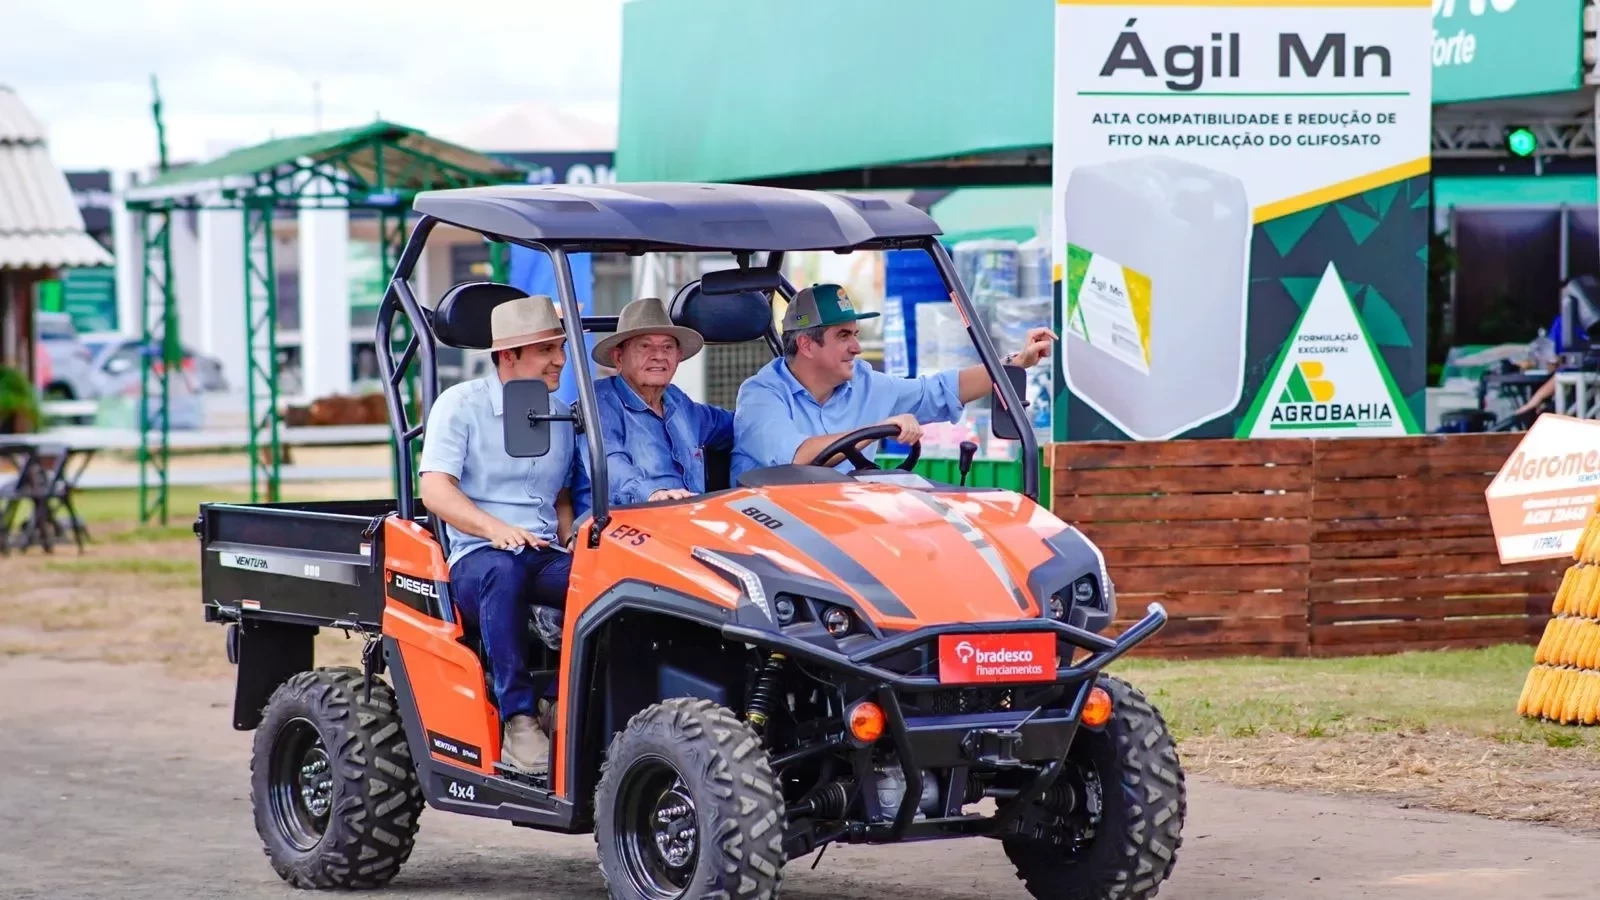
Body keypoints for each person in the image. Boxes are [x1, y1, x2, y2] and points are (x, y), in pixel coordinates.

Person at [418, 294, 587, 775]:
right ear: (508, 356)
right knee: (503, 568)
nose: (560, 360)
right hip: (478, 557)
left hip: (541, 550)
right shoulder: (461, 405)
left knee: (606, 581)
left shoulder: (561, 414)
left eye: (561, 347)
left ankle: (560, 702)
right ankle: (519, 719)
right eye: (547, 350)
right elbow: (434, 490)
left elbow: (559, 499)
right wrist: (495, 529)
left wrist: (571, 534)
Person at [731, 283, 1054, 480]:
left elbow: (940, 390)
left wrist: (1017, 361)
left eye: (855, 335)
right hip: (775, 538)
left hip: (845, 528)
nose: (856, 347)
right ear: (806, 344)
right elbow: (798, 457)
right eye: (844, 336)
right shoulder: (762, 395)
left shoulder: (865, 383)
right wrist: (876, 428)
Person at [590, 296, 733, 504]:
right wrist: (653, 493)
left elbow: (737, 424)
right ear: (618, 358)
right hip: (625, 526)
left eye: (667, 347)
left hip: (688, 521)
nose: (658, 355)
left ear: (678, 356)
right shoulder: (600, 400)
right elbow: (608, 462)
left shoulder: (679, 402)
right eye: (645, 346)